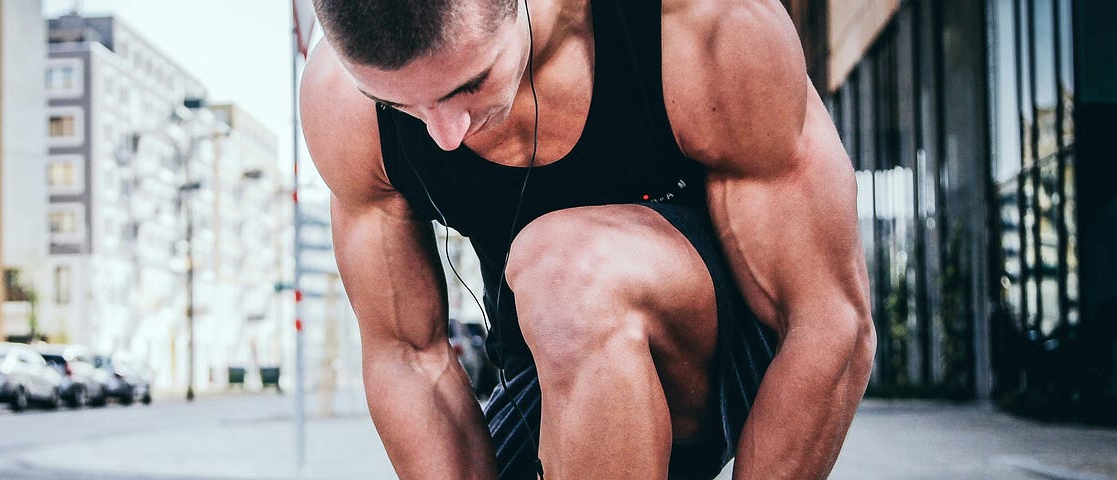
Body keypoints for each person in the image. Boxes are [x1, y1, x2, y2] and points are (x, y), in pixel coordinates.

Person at [298, 0, 875, 478]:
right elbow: (408, 356)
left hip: (731, 354)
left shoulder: (702, 25)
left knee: (565, 270)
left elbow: (830, 322)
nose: (444, 135)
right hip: (549, 366)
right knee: (559, 291)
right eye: (399, 105)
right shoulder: (340, 102)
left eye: (469, 85)